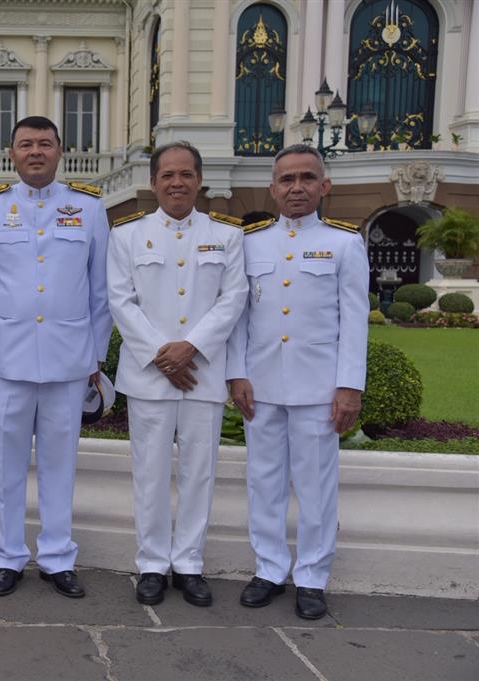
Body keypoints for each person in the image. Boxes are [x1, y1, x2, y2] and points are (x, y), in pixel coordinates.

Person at [0, 116, 111, 599]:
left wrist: (95, 356)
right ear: (11, 154)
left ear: (59, 151)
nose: (35, 152)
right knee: (5, 466)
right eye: (26, 144)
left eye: (44, 144)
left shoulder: (88, 207)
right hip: (6, 360)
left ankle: (56, 557)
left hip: (69, 361)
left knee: (59, 463)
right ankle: (6, 556)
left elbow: (100, 291)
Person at [226, 144, 369, 620]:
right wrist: (237, 372)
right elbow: (239, 316)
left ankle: (312, 575)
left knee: (316, 486)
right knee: (263, 482)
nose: (297, 188)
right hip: (261, 385)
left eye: (307, 178)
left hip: (318, 387)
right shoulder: (251, 242)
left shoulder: (345, 243)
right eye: (286, 180)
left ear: (324, 187)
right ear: (272, 188)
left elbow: (354, 322)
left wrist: (349, 386)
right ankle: (268, 568)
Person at [107, 142, 248, 608]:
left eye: (186, 174)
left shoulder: (226, 235)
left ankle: (188, 563)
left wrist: (191, 348)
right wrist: (161, 355)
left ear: (200, 180)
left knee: (198, 473)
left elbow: (234, 298)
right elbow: (120, 301)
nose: (177, 183)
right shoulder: (128, 234)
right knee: (148, 472)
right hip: (150, 376)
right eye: (167, 175)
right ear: (153, 182)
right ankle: (151, 563)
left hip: (203, 373)